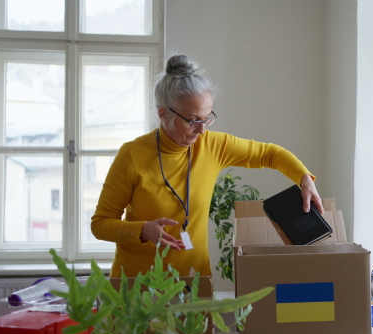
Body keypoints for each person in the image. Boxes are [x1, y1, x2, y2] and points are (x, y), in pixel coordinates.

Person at [91, 54, 323, 278]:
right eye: (193, 121)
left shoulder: (212, 145)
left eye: (207, 118)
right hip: (137, 285)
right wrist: (141, 230)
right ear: (163, 114)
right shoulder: (132, 155)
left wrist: (303, 177)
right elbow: (100, 224)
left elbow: (270, 154)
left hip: (194, 282)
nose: (202, 130)